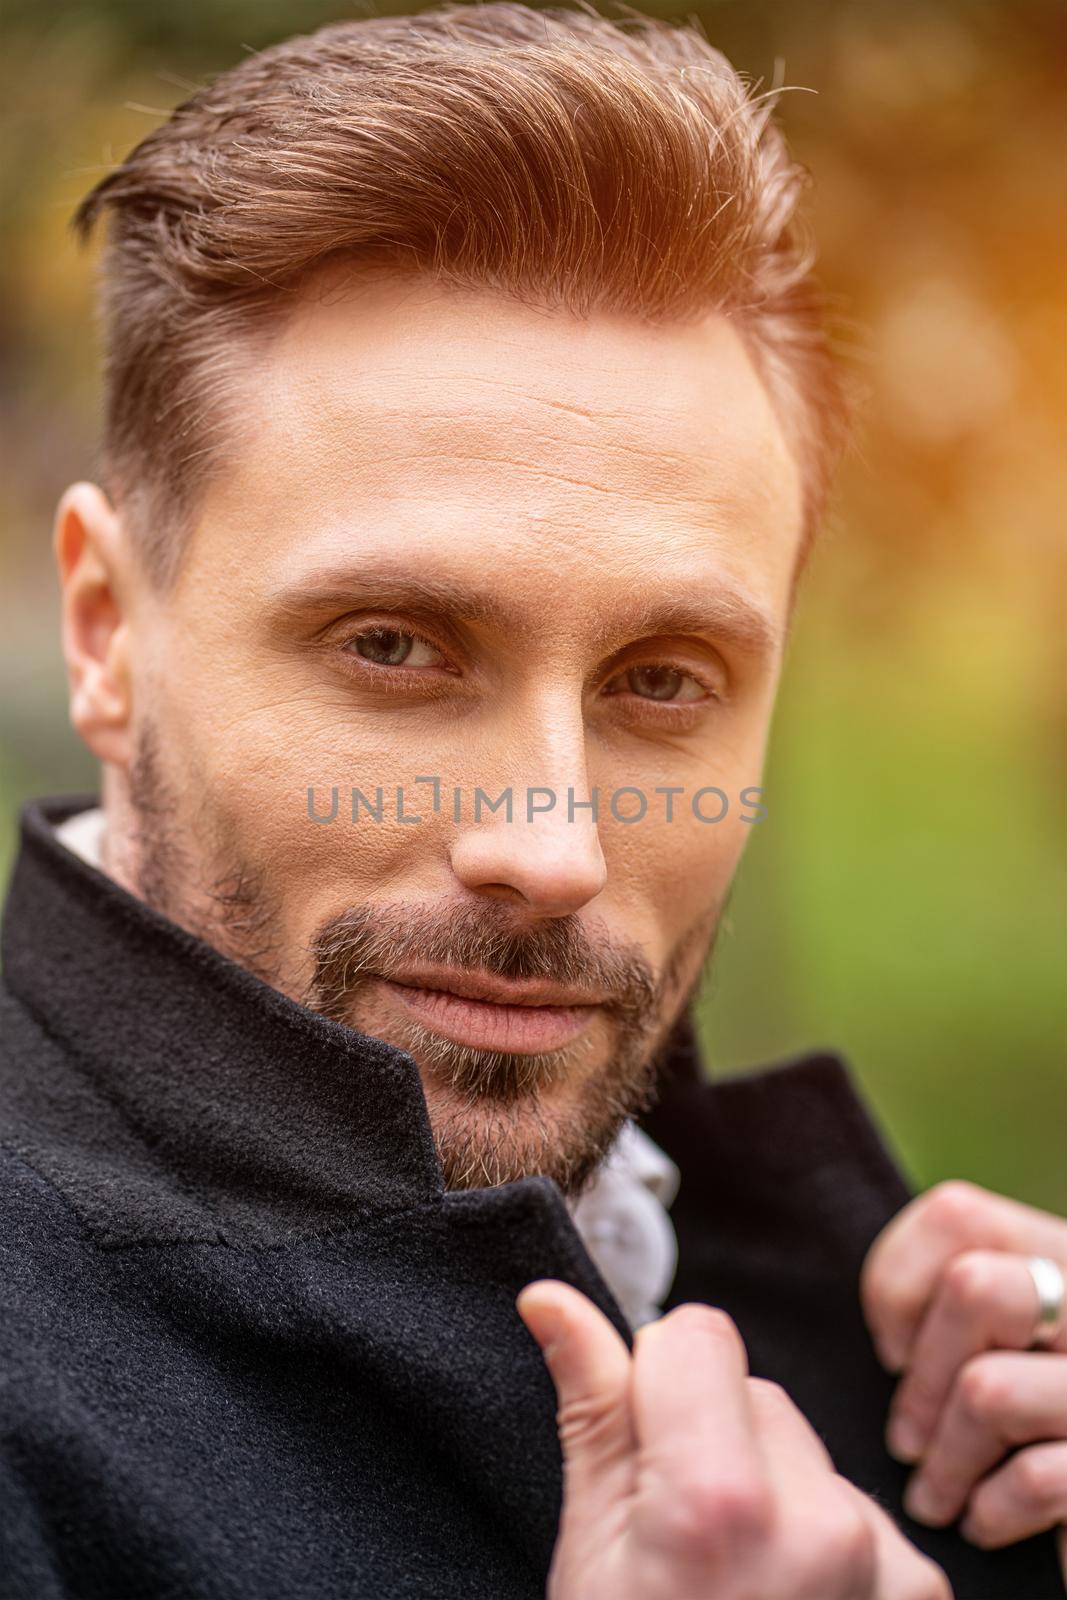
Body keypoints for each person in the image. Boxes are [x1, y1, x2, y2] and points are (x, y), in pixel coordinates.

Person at [1, 5, 1064, 1597]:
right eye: (394, 646)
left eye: (663, 681)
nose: (552, 853)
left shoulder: (921, 1365)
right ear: (105, 632)